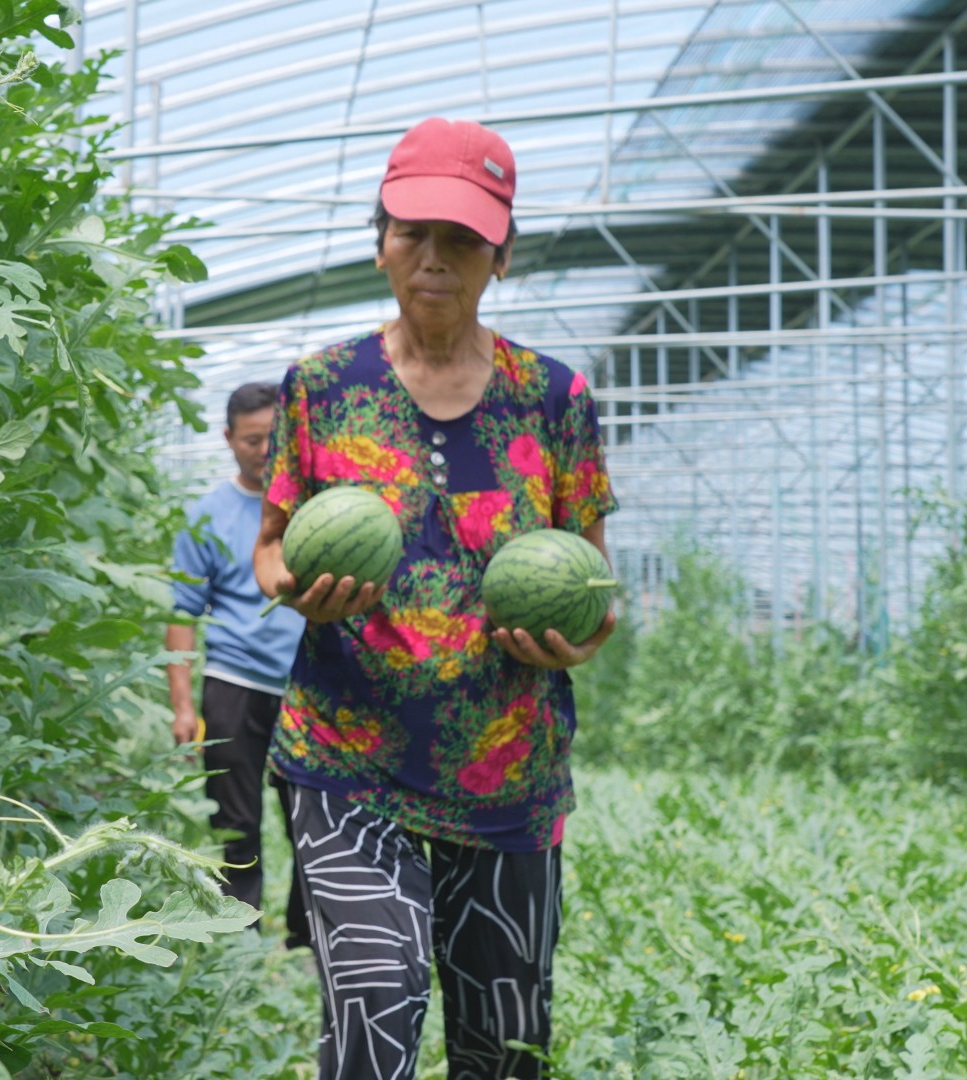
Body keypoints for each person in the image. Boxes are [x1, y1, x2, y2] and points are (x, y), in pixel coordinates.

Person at [253, 117, 619, 1080]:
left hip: (508, 777)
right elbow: (268, 552)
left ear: (501, 254)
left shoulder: (555, 398)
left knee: (504, 1052)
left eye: (461, 239)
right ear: (380, 240)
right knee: (375, 1010)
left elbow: (594, 577)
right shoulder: (323, 388)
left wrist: (577, 641)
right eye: (412, 232)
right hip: (348, 759)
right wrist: (300, 589)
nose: (434, 259)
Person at [168, 384, 313, 949]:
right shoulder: (207, 514)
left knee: (311, 818)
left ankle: (305, 939)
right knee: (236, 821)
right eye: (253, 439)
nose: (264, 449)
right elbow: (181, 611)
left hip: (306, 688)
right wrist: (183, 705)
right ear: (229, 439)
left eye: (274, 437)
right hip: (232, 684)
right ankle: (240, 937)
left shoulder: (311, 511)